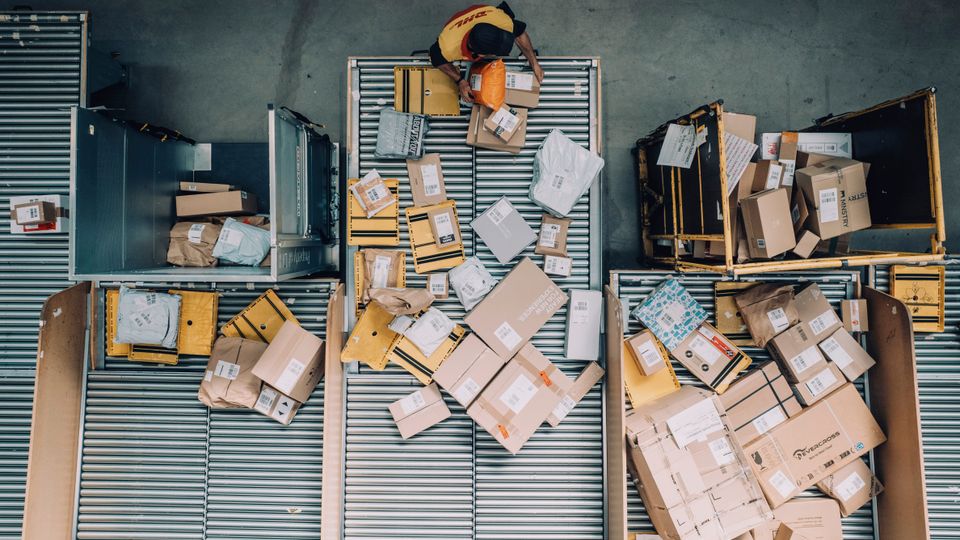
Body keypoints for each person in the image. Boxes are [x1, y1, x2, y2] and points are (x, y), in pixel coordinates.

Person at [428, 2, 543, 103]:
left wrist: (534, 63)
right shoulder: (448, 48)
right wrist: (460, 81)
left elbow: (520, 34)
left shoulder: (499, 19)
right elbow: (435, 57)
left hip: (482, 13)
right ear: (480, 55)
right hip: (453, 30)